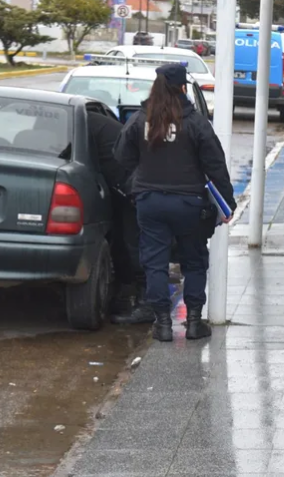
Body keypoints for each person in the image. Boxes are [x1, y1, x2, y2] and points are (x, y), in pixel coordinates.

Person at [114, 63, 236, 342]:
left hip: (150, 202)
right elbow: (215, 164)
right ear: (183, 88)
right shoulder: (194, 122)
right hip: (189, 204)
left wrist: (140, 176)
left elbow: (121, 155)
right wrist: (227, 203)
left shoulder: (140, 119)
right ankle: (193, 322)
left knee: (155, 263)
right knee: (193, 261)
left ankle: (163, 324)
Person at [85, 109, 149, 320]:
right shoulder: (94, 121)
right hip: (128, 186)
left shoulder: (82, 125)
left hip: (132, 188)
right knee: (128, 241)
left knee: (134, 242)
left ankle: (145, 303)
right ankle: (129, 292)